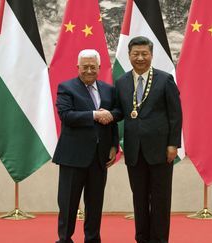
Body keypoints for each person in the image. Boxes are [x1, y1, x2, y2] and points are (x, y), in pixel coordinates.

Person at [113, 36, 182, 243]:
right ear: (129, 56)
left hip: (161, 150)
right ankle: (141, 238)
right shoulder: (122, 82)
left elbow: (175, 115)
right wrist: (105, 114)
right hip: (134, 150)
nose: (140, 58)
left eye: (144, 53)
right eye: (136, 54)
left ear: (151, 55)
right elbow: (119, 112)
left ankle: (159, 239)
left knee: (160, 199)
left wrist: (173, 144)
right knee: (139, 199)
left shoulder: (164, 79)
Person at [53, 49, 118, 243]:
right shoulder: (66, 87)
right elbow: (66, 115)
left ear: (99, 68)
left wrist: (114, 145)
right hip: (73, 157)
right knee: (68, 203)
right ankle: (64, 239)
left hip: (99, 158)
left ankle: (92, 239)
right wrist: (94, 114)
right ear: (77, 68)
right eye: (85, 67)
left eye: (93, 67)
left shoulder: (109, 90)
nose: (89, 70)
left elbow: (113, 118)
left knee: (95, 203)